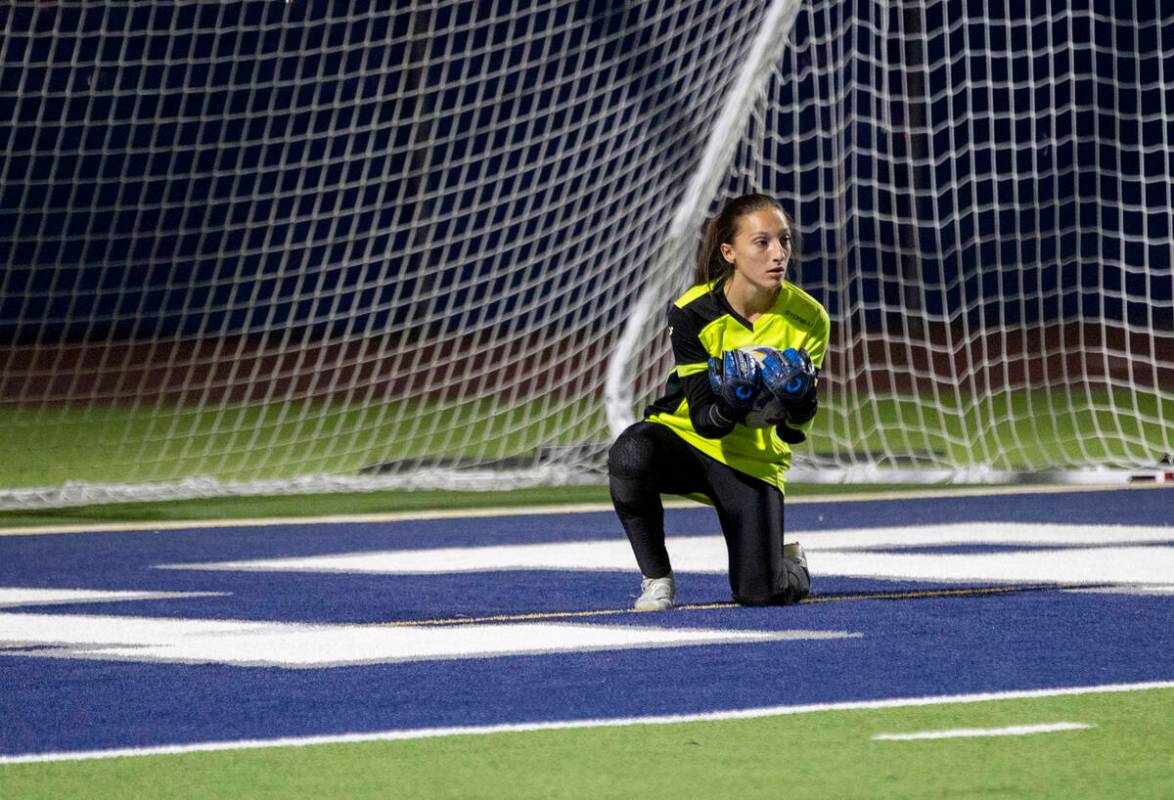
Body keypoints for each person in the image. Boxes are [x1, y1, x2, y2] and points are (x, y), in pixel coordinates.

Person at [608, 193, 829, 611]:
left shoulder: (810, 318)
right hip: (689, 439)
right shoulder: (692, 312)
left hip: (754, 462)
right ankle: (657, 580)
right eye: (761, 242)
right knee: (630, 453)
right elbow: (707, 420)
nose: (778, 253)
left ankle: (792, 564)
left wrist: (800, 403)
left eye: (784, 241)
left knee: (760, 594)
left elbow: (793, 433)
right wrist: (731, 401)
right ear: (729, 252)